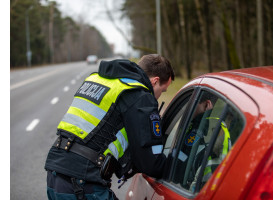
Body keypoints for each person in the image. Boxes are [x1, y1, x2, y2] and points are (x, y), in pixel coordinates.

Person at [44, 54, 175, 200]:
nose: (158, 96)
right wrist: (179, 166)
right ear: (155, 81)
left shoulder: (97, 79)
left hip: (55, 175)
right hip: (82, 184)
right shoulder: (138, 95)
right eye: (163, 91)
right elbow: (151, 163)